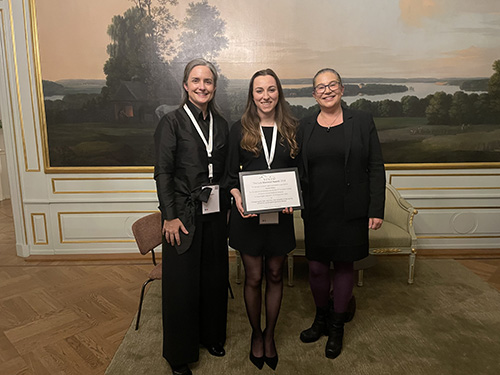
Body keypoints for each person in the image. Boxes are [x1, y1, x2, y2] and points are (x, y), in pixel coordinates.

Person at [297, 68, 386, 359]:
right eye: (320, 87)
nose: (327, 90)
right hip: (317, 209)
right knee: (317, 268)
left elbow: (375, 166)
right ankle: (320, 318)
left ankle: (337, 327)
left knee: (344, 267)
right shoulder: (305, 125)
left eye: (332, 84)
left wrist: (376, 208)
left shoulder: (361, 121)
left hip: (351, 210)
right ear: (314, 94)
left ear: (342, 89)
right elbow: (296, 168)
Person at [154, 58, 230, 375]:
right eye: (196, 81)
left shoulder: (222, 124)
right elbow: (163, 173)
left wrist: (229, 202)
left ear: (214, 87)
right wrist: (169, 216)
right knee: (182, 285)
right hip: (182, 214)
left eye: (208, 81)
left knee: (213, 278)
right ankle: (179, 354)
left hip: (214, 212)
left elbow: (225, 171)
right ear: (185, 86)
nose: (202, 86)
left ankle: (211, 336)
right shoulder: (171, 123)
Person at [225, 69, 298, 370]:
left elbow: (301, 173)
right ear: (251, 95)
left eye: (271, 89)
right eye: (259, 90)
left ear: (278, 92)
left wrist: (295, 196)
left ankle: (270, 335)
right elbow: (229, 175)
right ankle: (256, 334)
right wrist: (237, 196)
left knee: (276, 275)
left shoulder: (292, 128)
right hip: (248, 216)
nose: (265, 96)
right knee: (254, 277)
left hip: (281, 217)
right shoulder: (238, 129)